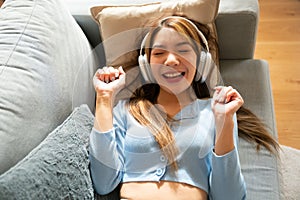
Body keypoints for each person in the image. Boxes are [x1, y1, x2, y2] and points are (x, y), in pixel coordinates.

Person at [90, 16, 278, 200]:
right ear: (146, 66)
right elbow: (103, 182)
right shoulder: (125, 110)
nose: (171, 60)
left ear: (201, 61)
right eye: (159, 53)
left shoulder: (216, 113)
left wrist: (225, 122)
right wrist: (104, 98)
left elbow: (229, 196)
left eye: (183, 50)